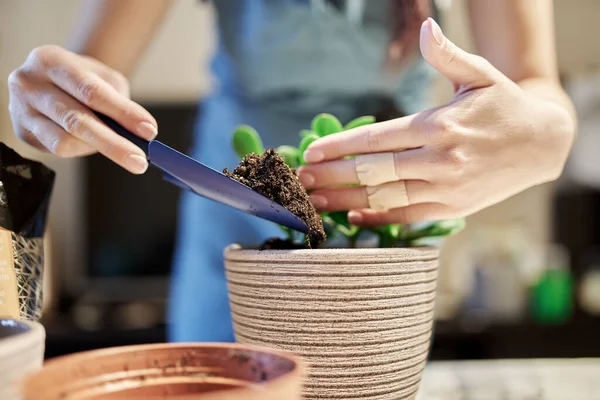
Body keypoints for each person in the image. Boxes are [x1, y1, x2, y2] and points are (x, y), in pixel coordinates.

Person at [7, 0, 576, 342]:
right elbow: (96, 68)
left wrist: (547, 132)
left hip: (384, 207)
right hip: (233, 211)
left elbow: (534, 84)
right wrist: (66, 96)